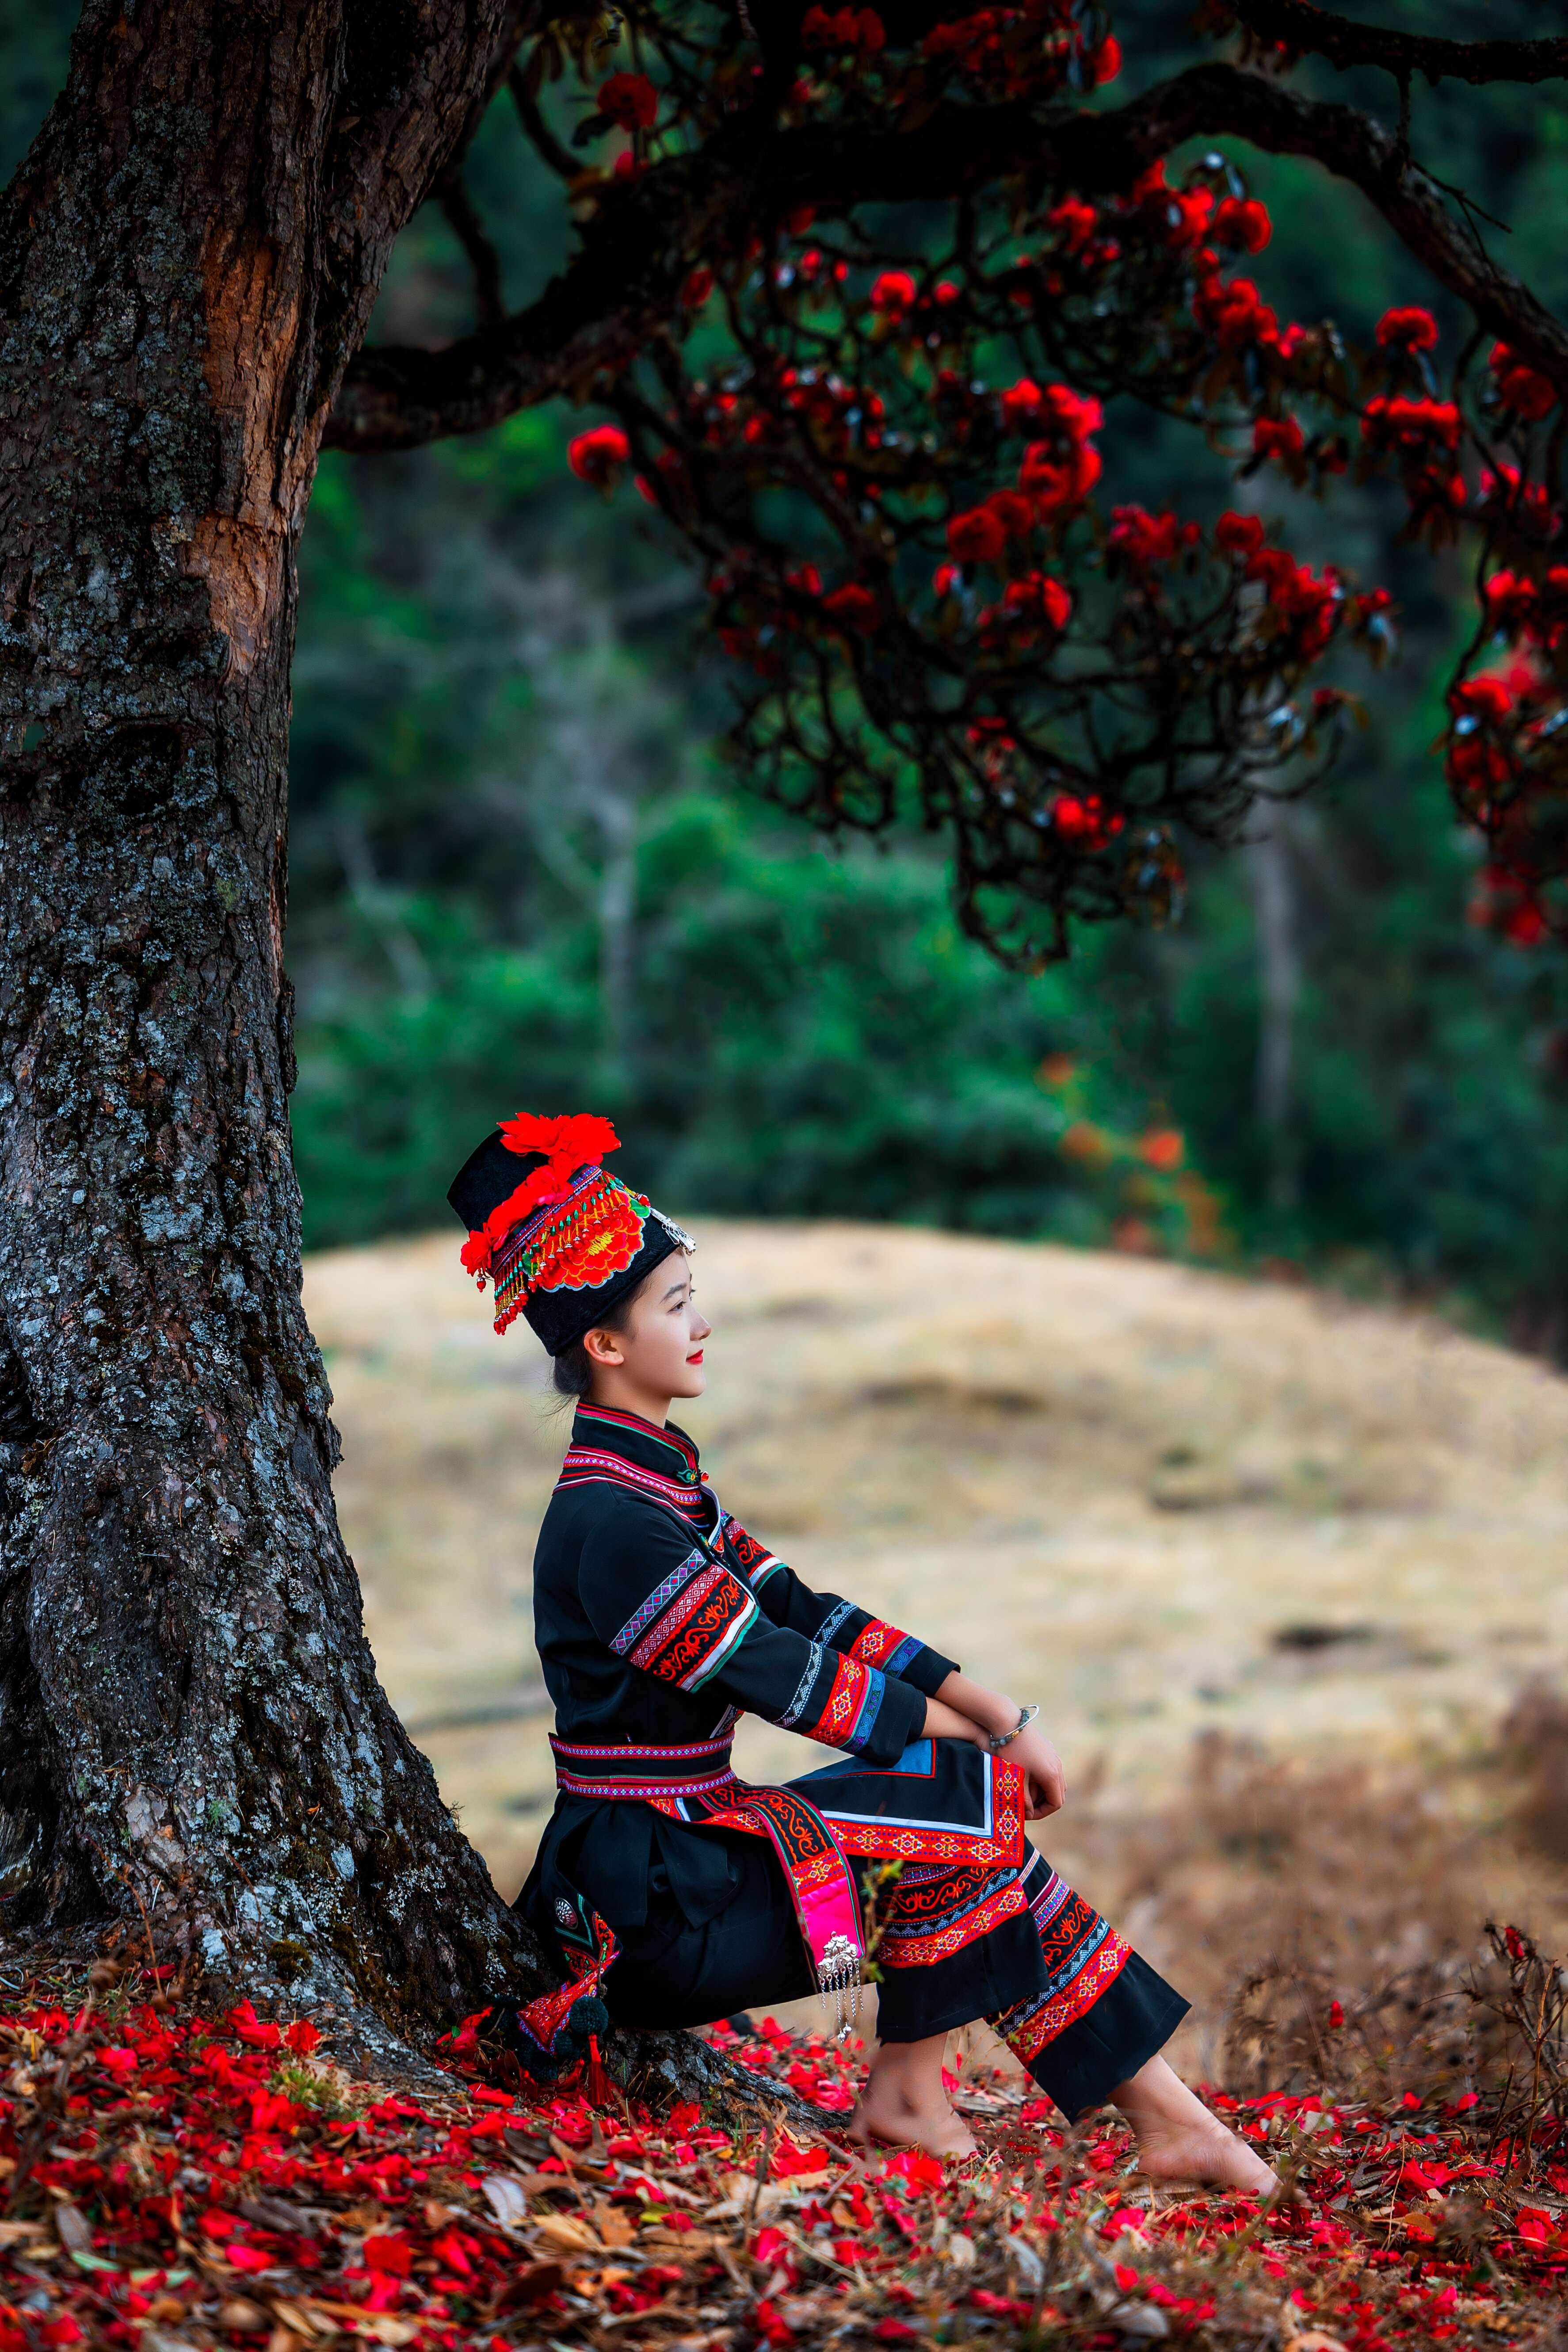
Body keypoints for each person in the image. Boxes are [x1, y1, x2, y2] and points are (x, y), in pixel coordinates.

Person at [447, 1112, 1278, 2184]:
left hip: (698, 1851)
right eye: (676, 1306)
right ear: (604, 1344)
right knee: (958, 1797)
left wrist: (992, 1708)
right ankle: (920, 2096)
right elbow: (785, 1676)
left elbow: (803, 1608)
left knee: (969, 1809)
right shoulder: (612, 1519)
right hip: (644, 1900)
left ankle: (1156, 2123)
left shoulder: (658, 1481)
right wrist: (977, 1742)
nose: (702, 1326)